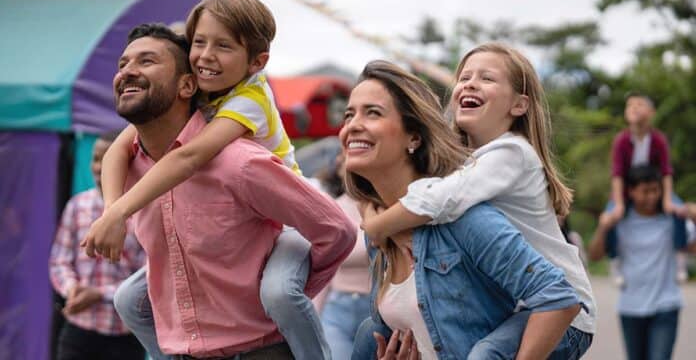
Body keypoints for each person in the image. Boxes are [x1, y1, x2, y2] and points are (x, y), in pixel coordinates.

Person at [83, 23, 356, 359]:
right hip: (184, 351)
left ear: (187, 84)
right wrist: (113, 210)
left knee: (280, 293)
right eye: (123, 64)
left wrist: (287, 295)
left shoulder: (238, 158)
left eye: (147, 61)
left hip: (259, 350)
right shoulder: (130, 164)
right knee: (128, 300)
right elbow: (119, 153)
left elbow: (338, 230)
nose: (128, 72)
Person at [358, 43, 596, 356]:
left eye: (487, 78)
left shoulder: (512, 153)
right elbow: (409, 188)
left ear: (519, 105)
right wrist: (369, 203)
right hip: (511, 302)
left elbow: (441, 199)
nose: (470, 83)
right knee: (368, 332)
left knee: (486, 355)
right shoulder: (465, 163)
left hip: (561, 311)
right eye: (465, 77)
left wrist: (377, 226)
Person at [49, 131, 145, 360]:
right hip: (78, 331)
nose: (99, 167)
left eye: (107, 159)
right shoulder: (78, 205)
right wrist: (72, 289)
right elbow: (59, 260)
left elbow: (148, 277)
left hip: (124, 335)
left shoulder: (142, 211)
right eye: (95, 159)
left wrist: (100, 294)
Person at [588, 165, 696, 360]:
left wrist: (694, 217)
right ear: (631, 191)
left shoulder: (672, 219)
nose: (652, 197)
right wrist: (603, 228)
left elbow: (692, 248)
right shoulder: (620, 221)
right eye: (645, 191)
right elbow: (595, 255)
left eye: (656, 190)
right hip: (630, 307)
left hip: (666, 305)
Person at [608, 92, 688, 284]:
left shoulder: (659, 140)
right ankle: (615, 261)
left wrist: (668, 199)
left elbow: (666, 172)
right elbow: (617, 175)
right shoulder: (621, 141)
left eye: (639, 104)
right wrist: (618, 203)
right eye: (630, 105)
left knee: (679, 211)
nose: (634, 108)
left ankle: (680, 259)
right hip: (629, 191)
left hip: (655, 190)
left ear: (651, 113)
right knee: (609, 217)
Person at [312, 152, 371, 360]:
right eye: (345, 159)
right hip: (337, 308)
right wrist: (313, 319)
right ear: (338, 167)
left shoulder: (385, 208)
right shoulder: (330, 209)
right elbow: (321, 270)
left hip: (376, 310)